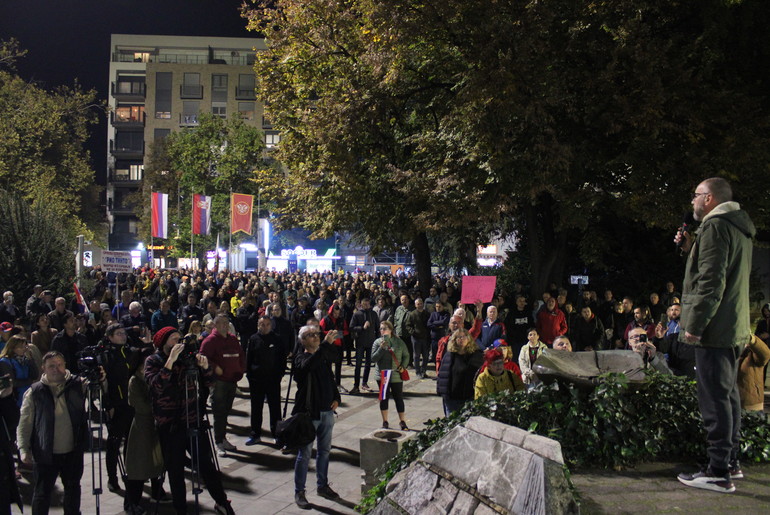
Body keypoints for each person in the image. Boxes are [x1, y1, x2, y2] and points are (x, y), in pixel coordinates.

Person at [675, 177, 755, 493]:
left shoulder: (715, 227)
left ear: (708, 198)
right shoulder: (737, 227)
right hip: (732, 325)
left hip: (715, 329)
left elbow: (711, 281)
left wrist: (694, 325)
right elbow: (721, 269)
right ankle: (730, 463)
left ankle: (718, 470)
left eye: (696, 195)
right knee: (728, 395)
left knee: (714, 398)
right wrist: (690, 247)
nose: (692, 201)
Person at [144, 326, 235, 515]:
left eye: (179, 339)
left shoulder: (188, 359)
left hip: (193, 420)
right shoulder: (153, 361)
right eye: (173, 339)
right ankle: (181, 509)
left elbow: (209, 384)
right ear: (163, 343)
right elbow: (156, 387)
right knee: (175, 472)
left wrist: (205, 368)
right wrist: (170, 362)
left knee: (207, 467)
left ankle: (221, 502)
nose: (177, 343)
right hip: (170, 425)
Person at [17, 351, 102, 515]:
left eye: (59, 365)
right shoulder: (35, 392)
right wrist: (23, 449)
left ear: (65, 366)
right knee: (42, 494)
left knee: (73, 491)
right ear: (44, 368)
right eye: (51, 366)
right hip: (46, 453)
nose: (56, 369)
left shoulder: (78, 384)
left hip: (72, 451)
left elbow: (100, 391)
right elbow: (24, 423)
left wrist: (101, 379)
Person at [293, 325, 341, 510]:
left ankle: (322, 485)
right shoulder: (301, 359)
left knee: (325, 451)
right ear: (302, 340)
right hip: (309, 414)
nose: (315, 337)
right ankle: (299, 491)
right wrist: (324, 346)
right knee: (304, 454)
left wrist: (336, 397)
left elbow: (329, 378)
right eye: (310, 335)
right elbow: (308, 366)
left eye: (316, 334)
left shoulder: (322, 357)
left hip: (327, 412)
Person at [123, 348, 166, 515]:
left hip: (156, 425)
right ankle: (132, 502)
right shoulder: (135, 381)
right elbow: (140, 405)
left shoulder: (155, 377)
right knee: (139, 466)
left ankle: (157, 492)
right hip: (142, 426)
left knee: (157, 461)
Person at [200, 315, 246, 457]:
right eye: (221, 323)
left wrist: (241, 369)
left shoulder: (232, 339)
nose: (224, 326)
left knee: (225, 411)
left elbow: (240, 355)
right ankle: (218, 441)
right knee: (219, 413)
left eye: (226, 323)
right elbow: (202, 358)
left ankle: (223, 438)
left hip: (232, 380)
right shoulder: (210, 341)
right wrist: (214, 367)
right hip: (218, 382)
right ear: (215, 325)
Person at [245, 316, 288, 445]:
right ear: (258, 325)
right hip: (256, 380)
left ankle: (277, 434)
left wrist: (279, 374)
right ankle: (255, 434)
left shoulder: (277, 339)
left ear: (271, 325)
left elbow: (282, 359)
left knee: (275, 408)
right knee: (256, 408)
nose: (265, 327)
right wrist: (250, 376)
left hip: (273, 379)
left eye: (267, 324)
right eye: (262, 324)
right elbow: (249, 359)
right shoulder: (253, 339)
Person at [371, 320, 410, 430]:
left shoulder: (399, 342)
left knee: (399, 398)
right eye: (381, 329)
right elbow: (373, 359)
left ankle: (402, 421)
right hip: (383, 375)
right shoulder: (377, 342)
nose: (382, 331)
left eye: (384, 329)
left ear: (391, 330)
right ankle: (385, 421)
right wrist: (381, 348)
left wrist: (403, 366)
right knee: (384, 398)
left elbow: (406, 355)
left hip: (396, 374)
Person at [436, 328, 484, 416]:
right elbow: (443, 375)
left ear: (469, 338)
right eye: (457, 337)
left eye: (463, 337)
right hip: (452, 398)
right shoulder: (449, 355)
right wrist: (442, 392)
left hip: (469, 397)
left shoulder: (476, 355)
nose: (460, 339)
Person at [349, 298, 379, 393]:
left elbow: (377, 328)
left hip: (371, 342)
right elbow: (351, 327)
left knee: (368, 364)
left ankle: (364, 383)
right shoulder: (357, 314)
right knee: (358, 365)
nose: (366, 306)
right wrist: (362, 327)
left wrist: (377, 340)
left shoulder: (373, 314)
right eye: (364, 304)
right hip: (360, 342)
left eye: (368, 304)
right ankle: (356, 385)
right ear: (361, 305)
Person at [737, 334, 770, 412]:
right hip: (728, 404)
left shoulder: (752, 356)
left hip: (751, 405)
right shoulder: (726, 355)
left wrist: (752, 339)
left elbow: (765, 354)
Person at [405, 298, 430, 378]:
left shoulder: (427, 313)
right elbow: (408, 325)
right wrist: (413, 332)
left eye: (421, 303)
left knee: (426, 355)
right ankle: (418, 371)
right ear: (415, 305)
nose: (420, 305)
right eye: (418, 304)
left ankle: (423, 371)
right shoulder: (412, 314)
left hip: (425, 337)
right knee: (416, 355)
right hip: (416, 338)